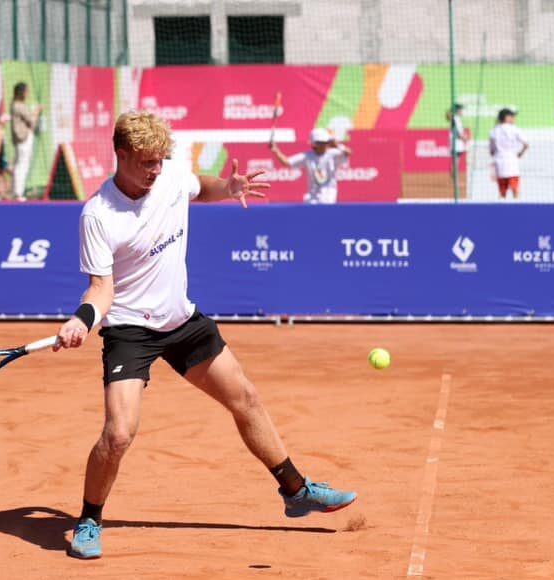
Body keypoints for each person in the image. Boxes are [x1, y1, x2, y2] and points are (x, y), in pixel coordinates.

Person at [52, 111, 357, 560]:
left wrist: (229, 189)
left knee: (246, 399)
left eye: (160, 160)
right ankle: (90, 519)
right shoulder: (98, 215)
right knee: (119, 434)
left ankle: (296, 491)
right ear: (120, 155)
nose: (156, 170)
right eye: (146, 162)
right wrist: (82, 318)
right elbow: (102, 288)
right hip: (131, 330)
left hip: (183, 321)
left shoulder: (171, 175)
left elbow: (201, 186)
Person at [269, 127, 351, 204]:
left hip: (329, 197)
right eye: (321, 143)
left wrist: (336, 145)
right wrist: (275, 150)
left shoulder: (333, 154)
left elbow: (348, 152)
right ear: (314, 144)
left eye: (326, 142)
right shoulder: (307, 156)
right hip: (312, 198)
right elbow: (287, 162)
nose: (325, 145)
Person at [10, 82, 42, 201]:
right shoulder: (18, 105)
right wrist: (37, 111)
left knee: (22, 164)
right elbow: (31, 119)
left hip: (24, 138)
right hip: (23, 138)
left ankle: (18, 191)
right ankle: (18, 193)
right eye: (26, 91)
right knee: (21, 165)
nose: (27, 93)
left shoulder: (17, 105)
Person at [489, 107, 528, 200]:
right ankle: (517, 211)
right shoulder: (515, 129)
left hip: (500, 163)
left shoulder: (494, 131)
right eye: (512, 116)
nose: (514, 118)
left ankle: (501, 212)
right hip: (512, 163)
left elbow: (491, 151)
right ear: (506, 118)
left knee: (502, 193)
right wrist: (520, 153)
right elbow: (526, 144)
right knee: (515, 190)